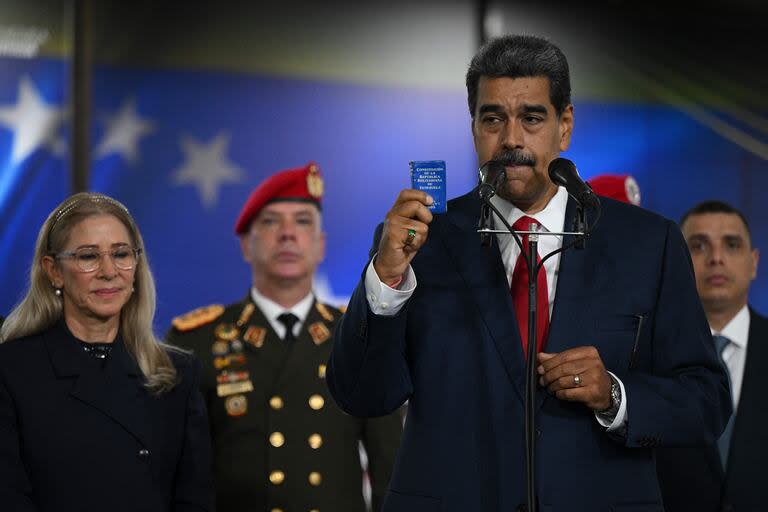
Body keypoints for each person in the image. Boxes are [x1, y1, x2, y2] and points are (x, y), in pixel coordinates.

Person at [327, 34, 731, 511]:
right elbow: (362, 395)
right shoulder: (419, 242)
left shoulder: (648, 243)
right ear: (474, 127)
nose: (511, 139)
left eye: (532, 118)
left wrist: (614, 396)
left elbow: (705, 401)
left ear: (565, 126)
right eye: (492, 118)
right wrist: (386, 280)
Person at [167, 163, 402, 512]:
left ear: (321, 245)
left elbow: (390, 473)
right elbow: (177, 474)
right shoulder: (195, 341)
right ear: (247, 245)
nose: (288, 233)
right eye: (271, 221)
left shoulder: (358, 334)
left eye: (303, 221)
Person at [0, 192, 213, 512]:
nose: (109, 271)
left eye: (121, 254)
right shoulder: (11, 370)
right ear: (54, 270)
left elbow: (194, 502)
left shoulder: (176, 374)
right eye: (88, 256)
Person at [657, 200, 766, 512]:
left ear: (754, 262)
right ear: (677, 261)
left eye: (732, 245)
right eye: (699, 246)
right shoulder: (647, 356)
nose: (716, 259)